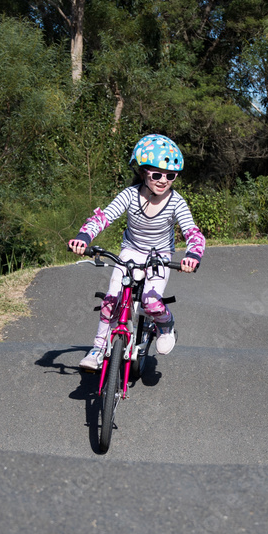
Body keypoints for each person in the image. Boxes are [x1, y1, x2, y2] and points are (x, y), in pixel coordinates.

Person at [68, 133, 205, 371]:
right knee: (111, 301)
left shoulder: (176, 202)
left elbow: (192, 231)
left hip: (159, 256)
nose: (163, 180)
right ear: (142, 172)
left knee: (151, 303)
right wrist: (84, 237)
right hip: (130, 252)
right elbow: (103, 218)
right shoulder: (130, 196)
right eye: (156, 174)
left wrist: (193, 255)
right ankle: (98, 348)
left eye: (170, 176)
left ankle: (165, 324)